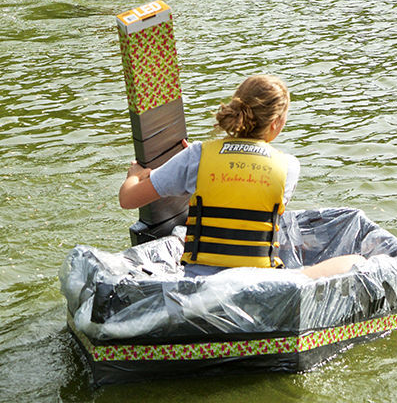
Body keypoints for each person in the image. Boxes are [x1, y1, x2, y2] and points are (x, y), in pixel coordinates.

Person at [118, 74, 366, 280]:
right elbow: (253, 207)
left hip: (200, 286)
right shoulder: (289, 166)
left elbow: (128, 199)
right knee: (355, 261)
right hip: (259, 288)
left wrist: (135, 175)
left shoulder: (197, 156)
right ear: (276, 123)